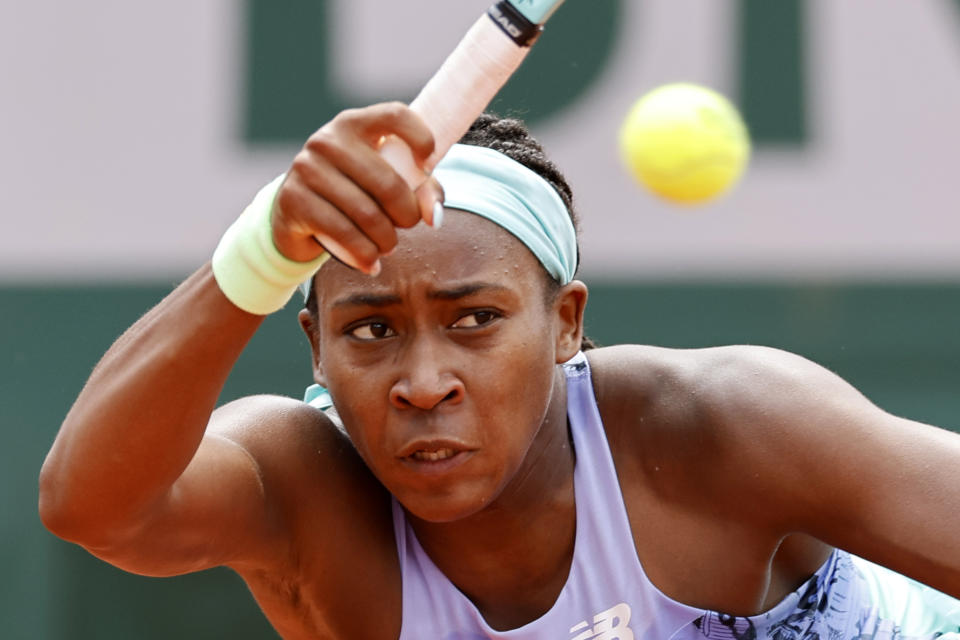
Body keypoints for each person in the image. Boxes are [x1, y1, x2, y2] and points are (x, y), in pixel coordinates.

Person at [40, 103, 960, 640]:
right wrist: (260, 251)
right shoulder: (304, 490)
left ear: (566, 324)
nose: (425, 382)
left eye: (475, 320)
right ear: (314, 347)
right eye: (370, 331)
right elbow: (91, 507)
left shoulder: (722, 424)